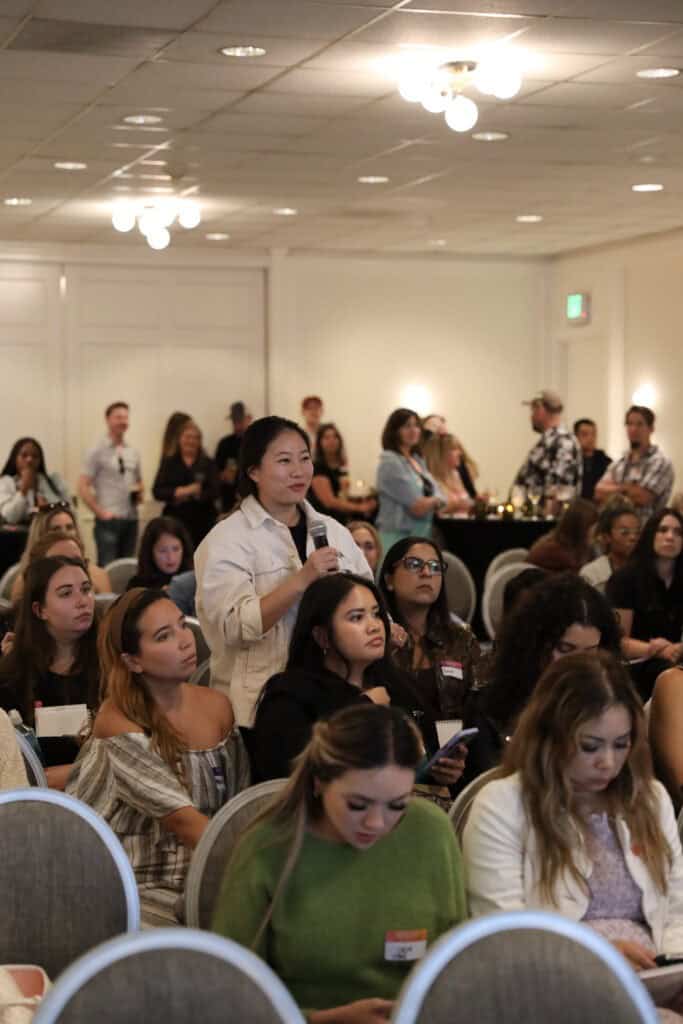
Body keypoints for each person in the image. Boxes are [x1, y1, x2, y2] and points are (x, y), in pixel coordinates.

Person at [212, 704, 467, 1021]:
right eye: (358, 804)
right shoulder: (267, 847)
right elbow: (227, 997)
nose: (376, 823)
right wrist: (327, 1020)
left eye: (397, 805)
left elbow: (457, 966)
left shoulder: (430, 830)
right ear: (319, 782)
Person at [462, 650, 683, 1008]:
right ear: (550, 737)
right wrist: (592, 955)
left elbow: (677, 910)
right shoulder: (502, 805)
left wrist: (672, 970)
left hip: (650, 990)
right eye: (590, 746)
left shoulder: (650, 798)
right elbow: (504, 936)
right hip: (550, 994)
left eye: (621, 744)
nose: (608, 762)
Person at [67, 589, 249, 925]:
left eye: (182, 625)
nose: (185, 641)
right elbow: (185, 822)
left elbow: (234, 809)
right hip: (131, 883)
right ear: (132, 661)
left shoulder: (217, 705)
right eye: (164, 636)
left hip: (202, 874)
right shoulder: (117, 721)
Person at [195, 416, 372, 727]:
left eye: (305, 458)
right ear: (253, 471)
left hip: (335, 698)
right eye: (284, 460)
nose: (298, 471)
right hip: (261, 706)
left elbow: (368, 594)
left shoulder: (332, 530)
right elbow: (234, 628)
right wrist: (302, 580)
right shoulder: (226, 539)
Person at [251, 573, 464, 790]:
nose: (374, 626)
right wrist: (363, 708)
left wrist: (442, 770)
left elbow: (421, 761)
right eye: (356, 617)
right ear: (322, 636)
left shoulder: (397, 685)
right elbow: (289, 772)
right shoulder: (290, 693)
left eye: (376, 614)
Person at [460, 574, 620, 787]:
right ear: (536, 647)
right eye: (565, 650)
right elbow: (488, 785)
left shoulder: (611, 704)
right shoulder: (491, 710)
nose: (579, 665)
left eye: (590, 652)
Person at [0, 556, 99, 788]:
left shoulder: (115, 667)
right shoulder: (11, 679)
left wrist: (73, 773)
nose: (82, 601)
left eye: (86, 590)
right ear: (40, 609)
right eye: (66, 594)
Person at [379, 536, 480, 722]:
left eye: (435, 567)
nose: (426, 572)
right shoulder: (377, 638)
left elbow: (478, 708)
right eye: (414, 564)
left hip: (452, 744)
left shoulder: (461, 638)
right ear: (389, 580)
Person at [606, 508, 683, 701]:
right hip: (636, 663)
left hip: (674, 659)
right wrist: (656, 649)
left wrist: (677, 649)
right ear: (650, 535)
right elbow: (618, 641)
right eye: (663, 530)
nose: (670, 537)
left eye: (677, 532)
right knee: (670, 675)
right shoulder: (625, 579)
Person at [79, 402, 144, 565]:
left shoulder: (133, 451)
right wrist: (100, 512)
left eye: (126, 417)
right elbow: (82, 485)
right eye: (118, 417)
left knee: (127, 568)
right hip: (108, 522)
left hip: (131, 519)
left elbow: (139, 481)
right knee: (108, 568)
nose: (123, 421)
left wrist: (140, 492)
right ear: (108, 420)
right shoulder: (96, 450)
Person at [375, 408, 446, 551]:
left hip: (420, 536)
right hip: (396, 538)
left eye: (416, 425)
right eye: (407, 426)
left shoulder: (418, 460)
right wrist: (436, 500)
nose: (413, 430)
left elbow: (443, 497)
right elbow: (417, 507)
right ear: (395, 431)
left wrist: (435, 500)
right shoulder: (390, 462)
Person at [11, 502, 111, 602]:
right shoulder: (24, 583)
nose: (64, 533)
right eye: (55, 529)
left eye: (69, 527)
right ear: (40, 537)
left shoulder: (99, 576)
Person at [595, 405, 673, 522]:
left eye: (639, 424)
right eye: (629, 424)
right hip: (615, 532)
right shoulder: (619, 463)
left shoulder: (660, 462)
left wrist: (614, 490)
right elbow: (599, 492)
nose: (633, 429)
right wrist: (628, 488)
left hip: (644, 532)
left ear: (651, 428)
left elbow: (642, 497)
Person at [152, 418, 219, 548]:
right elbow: (157, 491)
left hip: (203, 523)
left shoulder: (208, 463)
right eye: (187, 437)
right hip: (175, 523)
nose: (191, 441)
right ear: (180, 439)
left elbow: (216, 491)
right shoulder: (168, 463)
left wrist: (198, 494)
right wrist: (179, 492)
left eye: (195, 438)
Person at [513, 389, 582, 508]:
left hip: (545, 523)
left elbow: (560, 491)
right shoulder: (549, 441)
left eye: (533, 410)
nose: (531, 416)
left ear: (541, 409)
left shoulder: (564, 442)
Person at [310, 423, 376, 525]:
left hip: (339, 519)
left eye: (335, 436)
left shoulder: (340, 466)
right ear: (319, 443)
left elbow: (342, 495)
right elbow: (329, 502)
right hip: (323, 522)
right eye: (326, 437)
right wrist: (360, 508)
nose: (332, 440)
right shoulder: (318, 467)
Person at [0, 438, 69, 526]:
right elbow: (10, 517)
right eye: (24, 455)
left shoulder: (53, 481)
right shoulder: (5, 483)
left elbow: (68, 512)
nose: (29, 460)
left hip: (49, 535)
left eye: (35, 456)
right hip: (17, 537)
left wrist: (47, 508)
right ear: (15, 459)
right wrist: (24, 489)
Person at [580, 499, 640, 595]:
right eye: (625, 532)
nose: (633, 538)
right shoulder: (592, 574)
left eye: (637, 532)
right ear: (606, 537)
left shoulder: (646, 571)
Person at [526, 497, 598, 573]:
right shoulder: (555, 551)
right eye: (592, 527)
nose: (596, 533)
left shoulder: (568, 546)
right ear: (580, 528)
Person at [126, 516, 194, 590]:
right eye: (163, 551)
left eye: (176, 549)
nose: (171, 557)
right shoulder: (137, 586)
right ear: (149, 552)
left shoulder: (195, 580)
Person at [214, 401, 252, 514]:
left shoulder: (258, 443)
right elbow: (215, 473)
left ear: (248, 418)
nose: (237, 425)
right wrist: (222, 476)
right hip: (229, 502)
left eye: (240, 421)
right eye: (235, 421)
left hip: (253, 500)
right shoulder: (224, 444)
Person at [423, 433, 474, 516]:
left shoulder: (456, 475)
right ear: (440, 453)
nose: (460, 453)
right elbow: (429, 512)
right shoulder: (429, 480)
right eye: (454, 449)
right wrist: (455, 506)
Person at [574, 418, 612, 501]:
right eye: (585, 434)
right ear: (576, 437)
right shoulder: (571, 461)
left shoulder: (605, 462)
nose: (590, 438)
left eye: (593, 434)